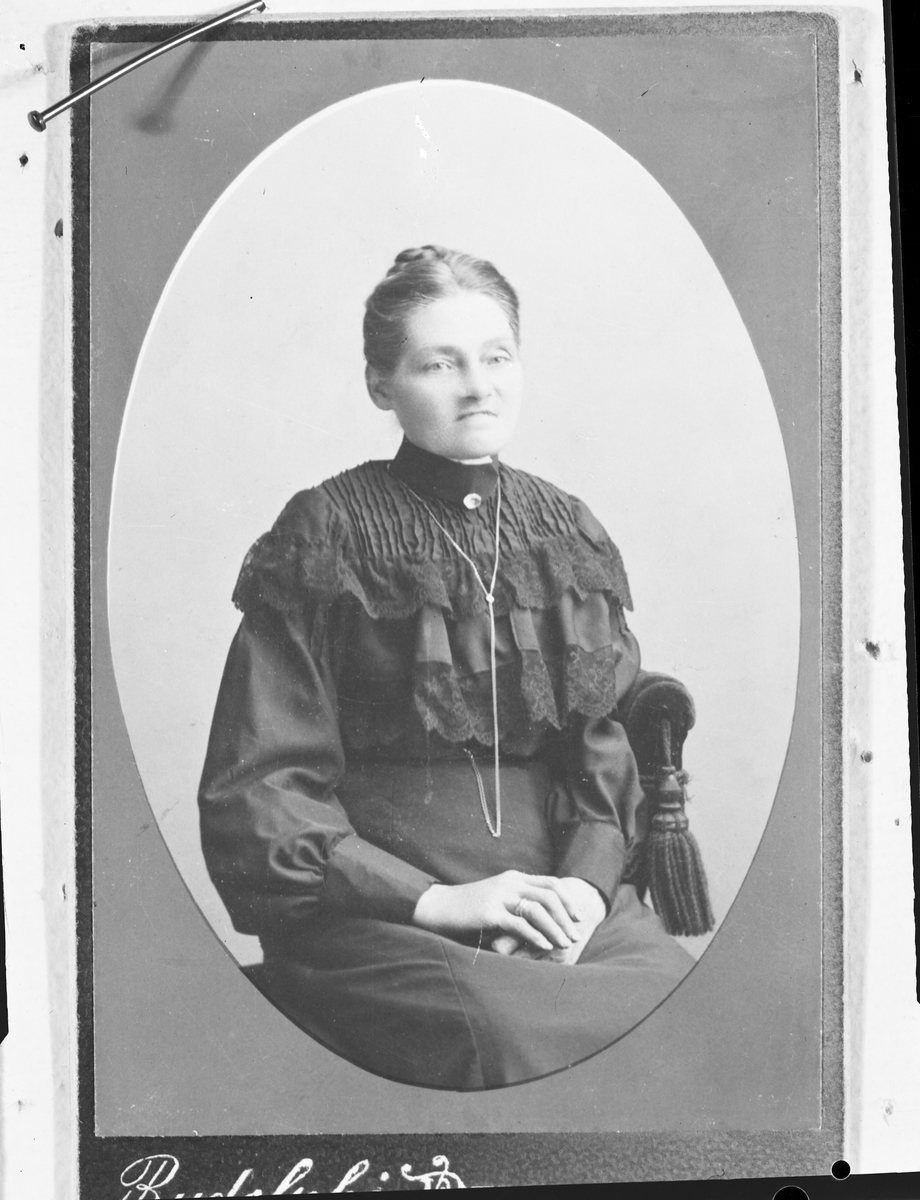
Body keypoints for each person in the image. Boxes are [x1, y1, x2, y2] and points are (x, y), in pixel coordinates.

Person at [198, 245, 695, 1090]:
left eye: (497, 358)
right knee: (502, 1033)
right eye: (439, 363)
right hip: (381, 906)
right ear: (380, 384)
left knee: (681, 1008)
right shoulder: (327, 531)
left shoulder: (565, 530)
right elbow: (262, 784)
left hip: (557, 890)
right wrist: (440, 903)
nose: (478, 387)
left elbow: (600, 753)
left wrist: (581, 893)